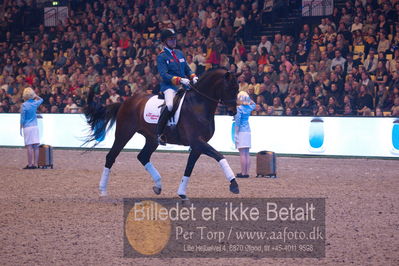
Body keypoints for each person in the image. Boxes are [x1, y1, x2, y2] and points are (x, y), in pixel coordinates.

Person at [156, 28, 198, 145]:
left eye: (174, 39)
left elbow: (187, 68)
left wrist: (193, 76)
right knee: (169, 105)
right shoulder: (162, 56)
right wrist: (179, 80)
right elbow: (164, 75)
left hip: (184, 85)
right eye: (171, 39)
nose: (174, 41)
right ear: (165, 41)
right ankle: (159, 133)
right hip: (169, 87)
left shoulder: (179, 53)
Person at [234, 91, 256, 178]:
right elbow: (254, 104)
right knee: (247, 153)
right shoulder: (249, 107)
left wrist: (235, 133)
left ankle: (243, 172)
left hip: (241, 132)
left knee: (242, 153)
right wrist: (248, 99)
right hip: (248, 131)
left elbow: (237, 122)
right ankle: (246, 172)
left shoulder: (239, 108)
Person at [20, 87, 43, 169]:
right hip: (35, 126)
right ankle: (36, 164)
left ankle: (30, 164)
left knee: (29, 146)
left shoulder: (24, 105)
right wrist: (36, 95)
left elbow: (22, 117)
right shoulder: (35, 103)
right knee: (36, 146)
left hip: (27, 126)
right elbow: (41, 99)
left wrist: (20, 127)